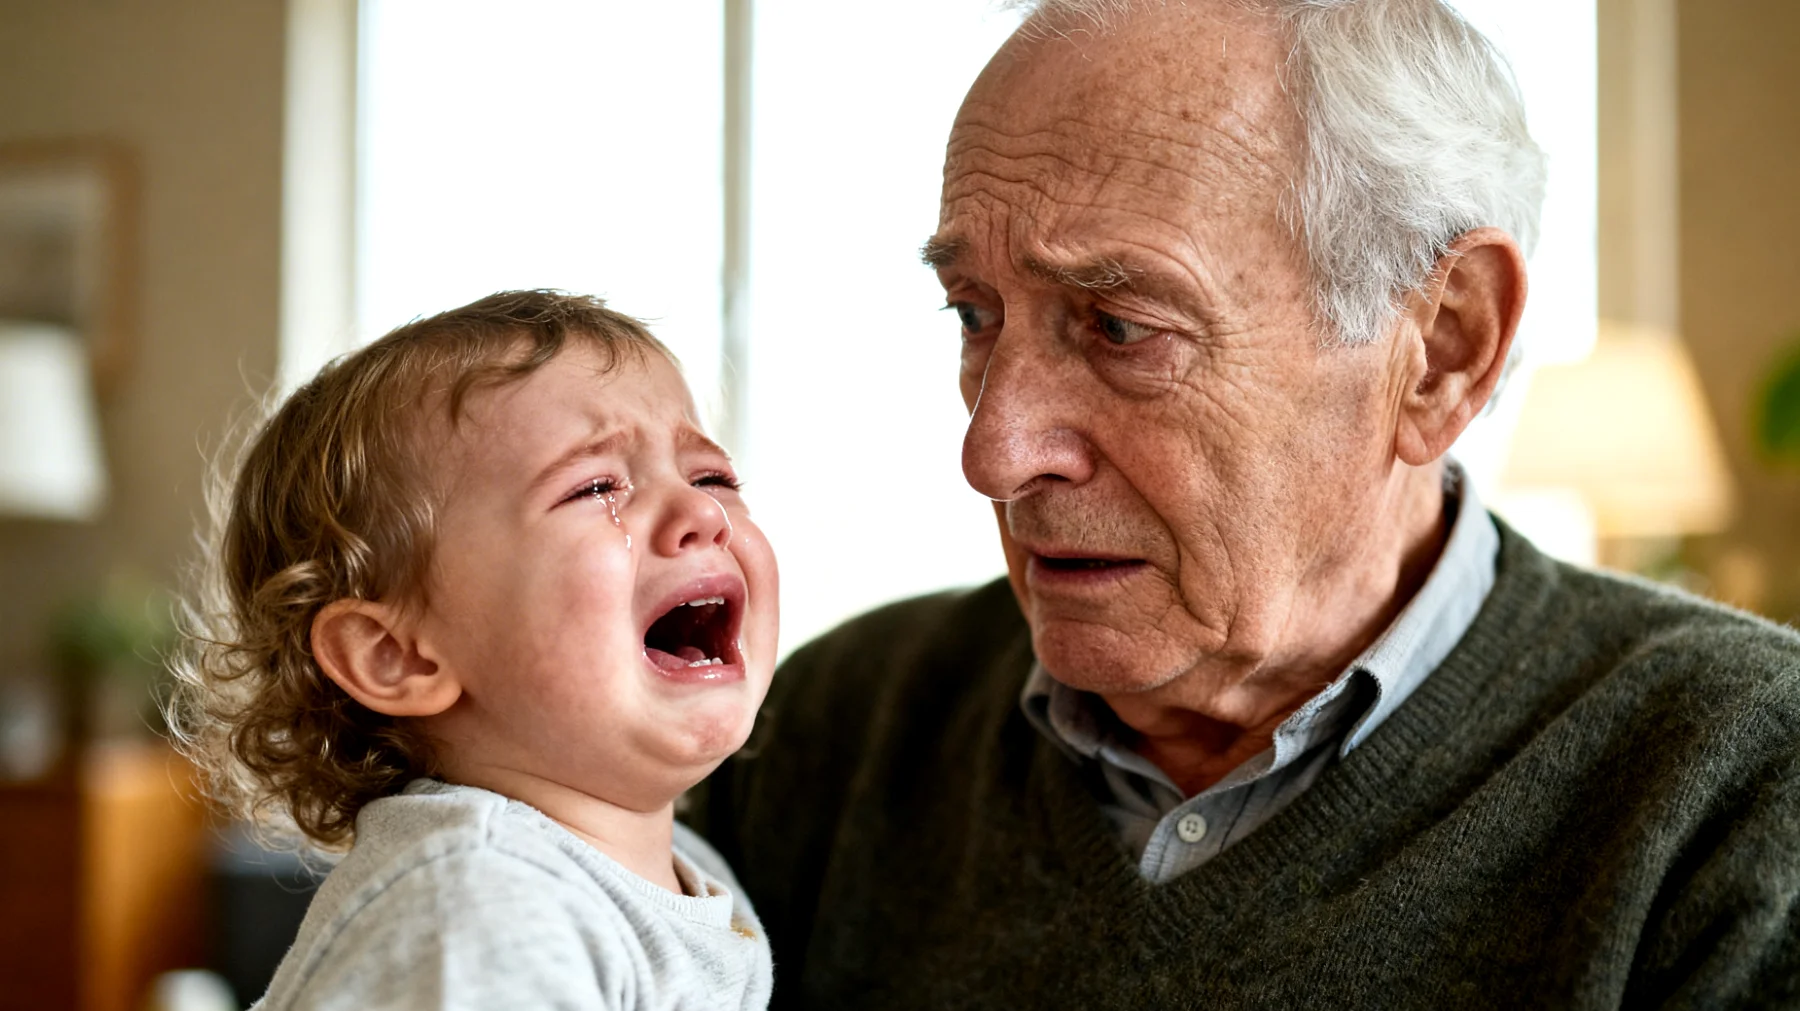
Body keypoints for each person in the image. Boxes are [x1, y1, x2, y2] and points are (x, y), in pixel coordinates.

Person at [686, 1, 1800, 1007]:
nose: (995, 453)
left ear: (1441, 349)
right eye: (975, 316)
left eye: (1122, 328)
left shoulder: (1739, 784)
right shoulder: (831, 732)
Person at [169, 290, 779, 1010]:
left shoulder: (683, 866)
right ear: (396, 655)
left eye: (712, 477)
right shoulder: (483, 905)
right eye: (595, 487)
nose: (703, 511)